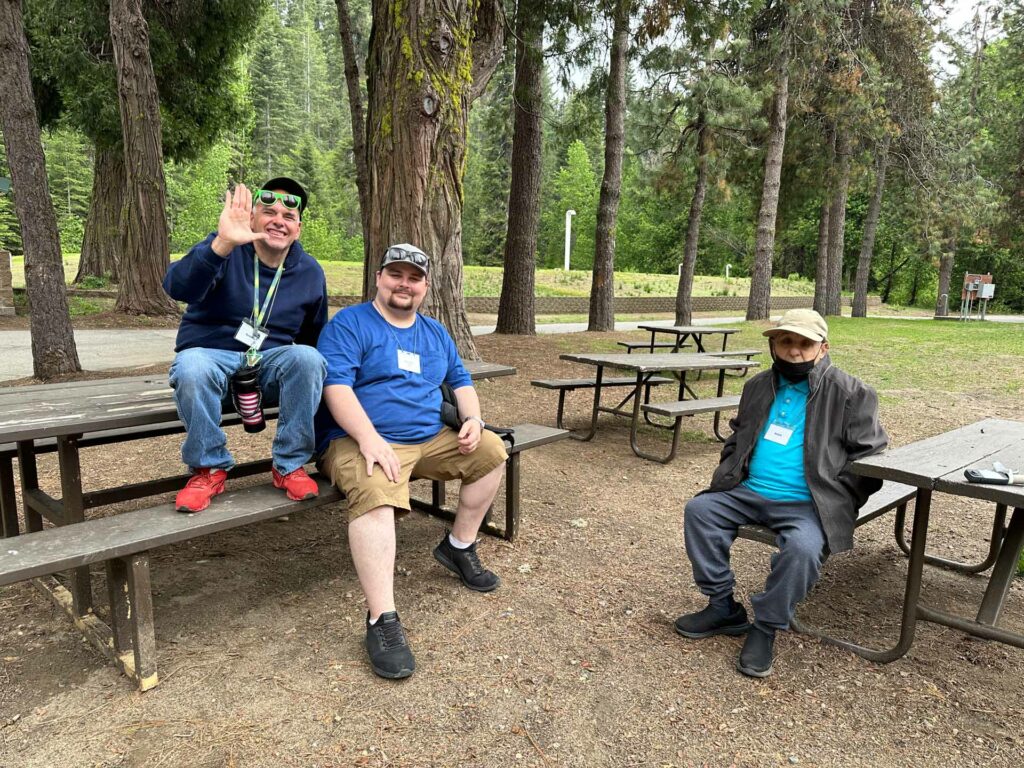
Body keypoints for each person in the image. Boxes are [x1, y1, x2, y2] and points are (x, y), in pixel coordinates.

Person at [315, 244, 507, 680]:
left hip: (429, 438)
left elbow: (460, 381)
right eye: (396, 274)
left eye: (414, 278)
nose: (404, 284)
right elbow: (336, 387)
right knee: (377, 491)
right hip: (357, 438)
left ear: (425, 286)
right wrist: (368, 439)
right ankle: (381, 619)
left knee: (493, 451)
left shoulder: (435, 332)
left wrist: (473, 420)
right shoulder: (349, 324)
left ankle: (458, 546)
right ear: (379, 278)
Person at [675, 309, 888, 678]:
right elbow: (738, 434)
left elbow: (870, 457)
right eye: (786, 341)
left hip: (807, 502)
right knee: (700, 511)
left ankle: (766, 626)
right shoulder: (758, 386)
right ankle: (723, 607)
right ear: (773, 344)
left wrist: (838, 499)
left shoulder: (851, 393)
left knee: (803, 549)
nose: (794, 350)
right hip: (748, 491)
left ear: (823, 348)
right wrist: (729, 468)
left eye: (805, 343)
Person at [163, 178, 328, 513]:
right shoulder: (225, 247)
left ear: (298, 228)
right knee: (192, 366)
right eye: (269, 212)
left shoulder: (309, 271)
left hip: (267, 366)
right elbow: (177, 288)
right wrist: (222, 244)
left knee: (308, 358)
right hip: (211, 360)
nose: (278, 221)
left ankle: (289, 465)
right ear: (252, 217)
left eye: (288, 216)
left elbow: (314, 336)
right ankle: (209, 468)